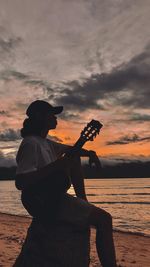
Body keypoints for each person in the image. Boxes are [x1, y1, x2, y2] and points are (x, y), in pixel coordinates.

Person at [15, 100, 117, 267]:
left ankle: (82, 200)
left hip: (52, 198)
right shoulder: (30, 143)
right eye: (52, 114)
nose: (56, 118)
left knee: (73, 155)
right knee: (104, 220)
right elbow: (21, 182)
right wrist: (57, 165)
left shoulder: (45, 143)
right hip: (42, 201)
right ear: (40, 117)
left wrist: (90, 152)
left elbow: (70, 150)